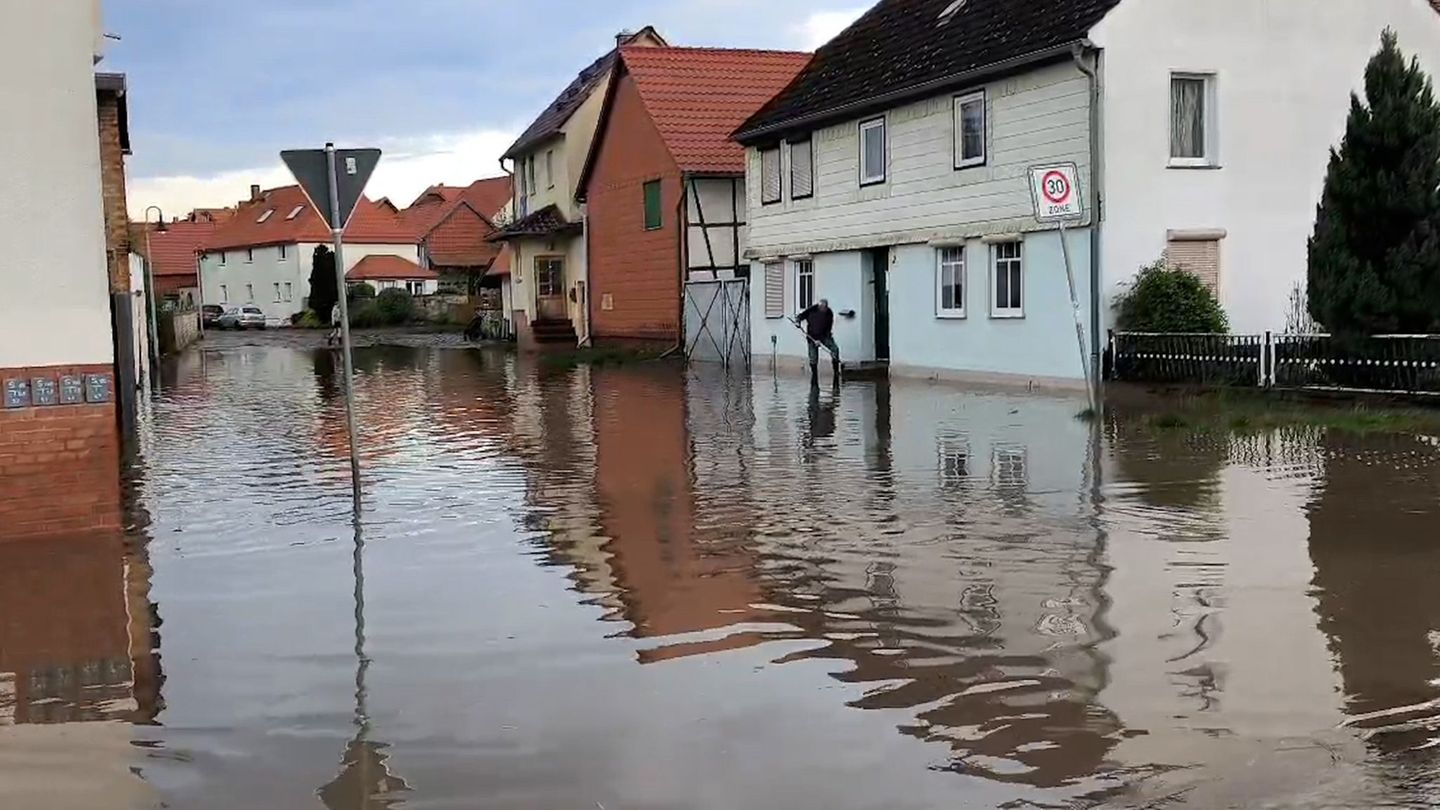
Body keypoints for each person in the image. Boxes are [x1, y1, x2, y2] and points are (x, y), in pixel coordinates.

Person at [796, 298, 840, 378]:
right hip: (812, 337)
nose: (823, 309)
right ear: (819, 307)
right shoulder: (812, 310)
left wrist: (821, 339)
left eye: (825, 308)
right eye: (822, 308)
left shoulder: (829, 313)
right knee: (813, 357)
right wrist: (797, 321)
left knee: (835, 349)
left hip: (824, 336)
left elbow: (828, 327)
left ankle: (836, 371)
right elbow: (801, 316)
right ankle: (814, 375)